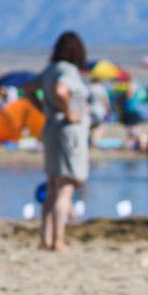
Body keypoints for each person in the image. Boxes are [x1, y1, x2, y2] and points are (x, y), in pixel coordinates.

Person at [38, 31, 90, 252]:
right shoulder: (67, 71)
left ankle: (45, 239)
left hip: (50, 127)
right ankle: (58, 239)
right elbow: (61, 90)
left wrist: (45, 110)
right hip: (68, 131)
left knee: (53, 185)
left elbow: (30, 89)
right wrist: (69, 112)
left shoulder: (49, 70)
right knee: (66, 186)